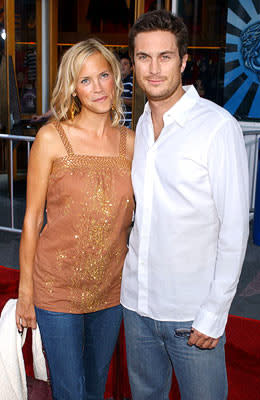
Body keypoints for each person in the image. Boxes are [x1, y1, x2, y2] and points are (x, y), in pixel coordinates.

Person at [120, 10, 249, 400]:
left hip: (192, 315)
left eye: (165, 56)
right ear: (133, 61)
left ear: (184, 60)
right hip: (137, 307)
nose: (154, 68)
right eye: (144, 57)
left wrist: (214, 314)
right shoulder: (139, 126)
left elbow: (234, 230)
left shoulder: (217, 127)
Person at [15, 38, 135, 400]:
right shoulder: (52, 139)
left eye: (103, 76)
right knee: (70, 391)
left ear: (116, 78)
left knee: (95, 387)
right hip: (57, 289)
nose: (97, 88)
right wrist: (25, 291)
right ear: (73, 88)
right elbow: (33, 218)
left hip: (111, 290)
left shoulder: (131, 143)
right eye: (85, 80)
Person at [120, 55, 133, 128]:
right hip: (120, 123)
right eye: (120, 64)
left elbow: (137, 103)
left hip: (130, 123)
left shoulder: (132, 81)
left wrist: (119, 100)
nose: (122, 66)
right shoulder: (118, 82)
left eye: (125, 64)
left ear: (131, 68)